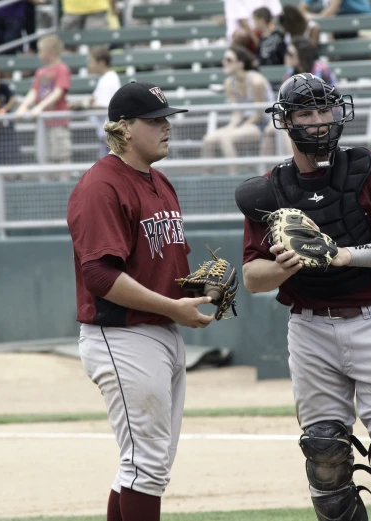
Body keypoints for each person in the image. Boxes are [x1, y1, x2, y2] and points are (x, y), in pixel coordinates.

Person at [239, 73, 371, 521]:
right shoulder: (270, 188)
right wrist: (288, 263)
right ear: (286, 122)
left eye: (325, 110)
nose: (319, 122)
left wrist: (343, 255)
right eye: (306, 113)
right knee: (324, 451)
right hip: (309, 326)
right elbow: (252, 277)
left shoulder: (370, 168)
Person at [67, 81, 217, 521]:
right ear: (125, 128)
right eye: (155, 120)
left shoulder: (159, 181)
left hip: (160, 330)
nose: (167, 127)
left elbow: (159, 264)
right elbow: (99, 274)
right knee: (145, 465)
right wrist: (173, 308)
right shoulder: (101, 186)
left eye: (167, 118)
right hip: (122, 335)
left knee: (146, 464)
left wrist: (196, 290)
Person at [202, 45, 273, 175]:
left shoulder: (256, 81)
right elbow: (237, 113)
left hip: (262, 123)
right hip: (244, 122)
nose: (224, 62)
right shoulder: (229, 83)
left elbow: (259, 113)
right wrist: (232, 126)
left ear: (240, 63)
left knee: (226, 138)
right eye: (224, 59)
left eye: (228, 59)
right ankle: (206, 181)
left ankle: (233, 180)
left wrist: (238, 128)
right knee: (208, 140)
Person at [15, 35, 72, 166]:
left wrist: (40, 107)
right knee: (44, 156)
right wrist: (23, 106)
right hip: (42, 124)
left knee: (61, 155)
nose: (38, 54)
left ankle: (64, 184)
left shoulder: (62, 69)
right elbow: (34, 91)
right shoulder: (40, 71)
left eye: (41, 51)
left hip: (58, 122)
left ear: (51, 52)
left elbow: (58, 92)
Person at [85, 46, 121, 158]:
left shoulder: (108, 79)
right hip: (107, 134)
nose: (89, 65)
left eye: (91, 61)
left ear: (101, 62)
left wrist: (86, 105)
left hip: (110, 135)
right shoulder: (107, 78)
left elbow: (103, 106)